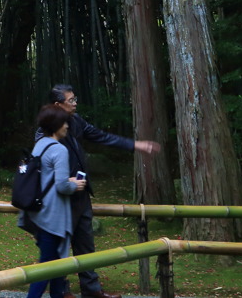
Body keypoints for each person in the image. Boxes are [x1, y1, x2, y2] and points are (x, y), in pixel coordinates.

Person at [46, 83, 162, 298]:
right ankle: (61, 291)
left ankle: (91, 290)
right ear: (57, 104)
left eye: (75, 98)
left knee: (86, 244)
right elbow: (39, 163)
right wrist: (61, 179)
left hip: (81, 194)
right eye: (70, 100)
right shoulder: (45, 128)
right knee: (59, 247)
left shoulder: (76, 121)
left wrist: (136, 145)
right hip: (60, 197)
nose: (75, 103)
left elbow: (101, 136)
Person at [18, 104, 87, 298]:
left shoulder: (40, 144)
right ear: (56, 125)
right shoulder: (59, 149)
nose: (67, 126)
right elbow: (61, 186)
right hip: (52, 217)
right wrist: (75, 184)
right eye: (64, 122)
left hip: (38, 214)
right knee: (47, 267)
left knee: (57, 270)